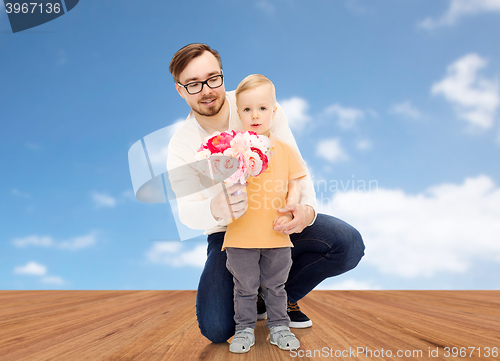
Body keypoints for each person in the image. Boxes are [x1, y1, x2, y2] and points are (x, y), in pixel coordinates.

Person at [166, 43, 365, 343]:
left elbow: (295, 165)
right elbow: (186, 211)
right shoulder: (182, 145)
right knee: (218, 328)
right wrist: (215, 209)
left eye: (212, 78)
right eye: (193, 84)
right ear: (181, 91)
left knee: (346, 243)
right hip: (229, 234)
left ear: (222, 74)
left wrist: (306, 209)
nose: (207, 90)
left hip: (276, 219)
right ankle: (256, 291)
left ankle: (274, 297)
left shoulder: (256, 103)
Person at [222, 74, 304, 353]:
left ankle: (279, 327)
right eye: (247, 109)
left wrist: (291, 209)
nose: (255, 115)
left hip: (277, 234)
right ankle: (244, 329)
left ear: (274, 111)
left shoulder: (285, 150)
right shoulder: (231, 150)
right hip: (240, 236)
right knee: (244, 288)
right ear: (238, 113)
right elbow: (218, 187)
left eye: (262, 108)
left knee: (275, 286)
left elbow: (296, 182)